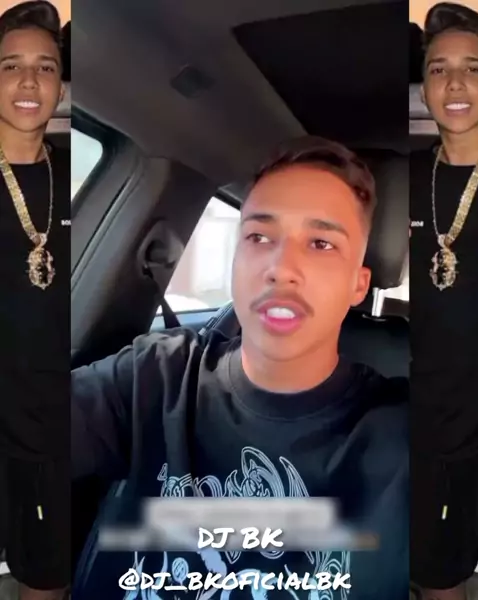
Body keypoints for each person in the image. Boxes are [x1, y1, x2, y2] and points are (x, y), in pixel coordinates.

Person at [71, 136, 408, 599]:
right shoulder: (156, 376)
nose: (281, 267)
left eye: (321, 243)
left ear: (358, 284)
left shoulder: (403, 436)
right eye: (259, 237)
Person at [410, 3, 478, 600]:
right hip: (434, 424)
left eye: (474, 69)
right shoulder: (408, 178)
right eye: (439, 69)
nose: (455, 83)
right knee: (439, 579)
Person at [0, 2, 70, 600]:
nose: (28, 81)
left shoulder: (74, 176)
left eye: (45, 67)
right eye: (10, 66)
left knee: (43, 581)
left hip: (46, 433)